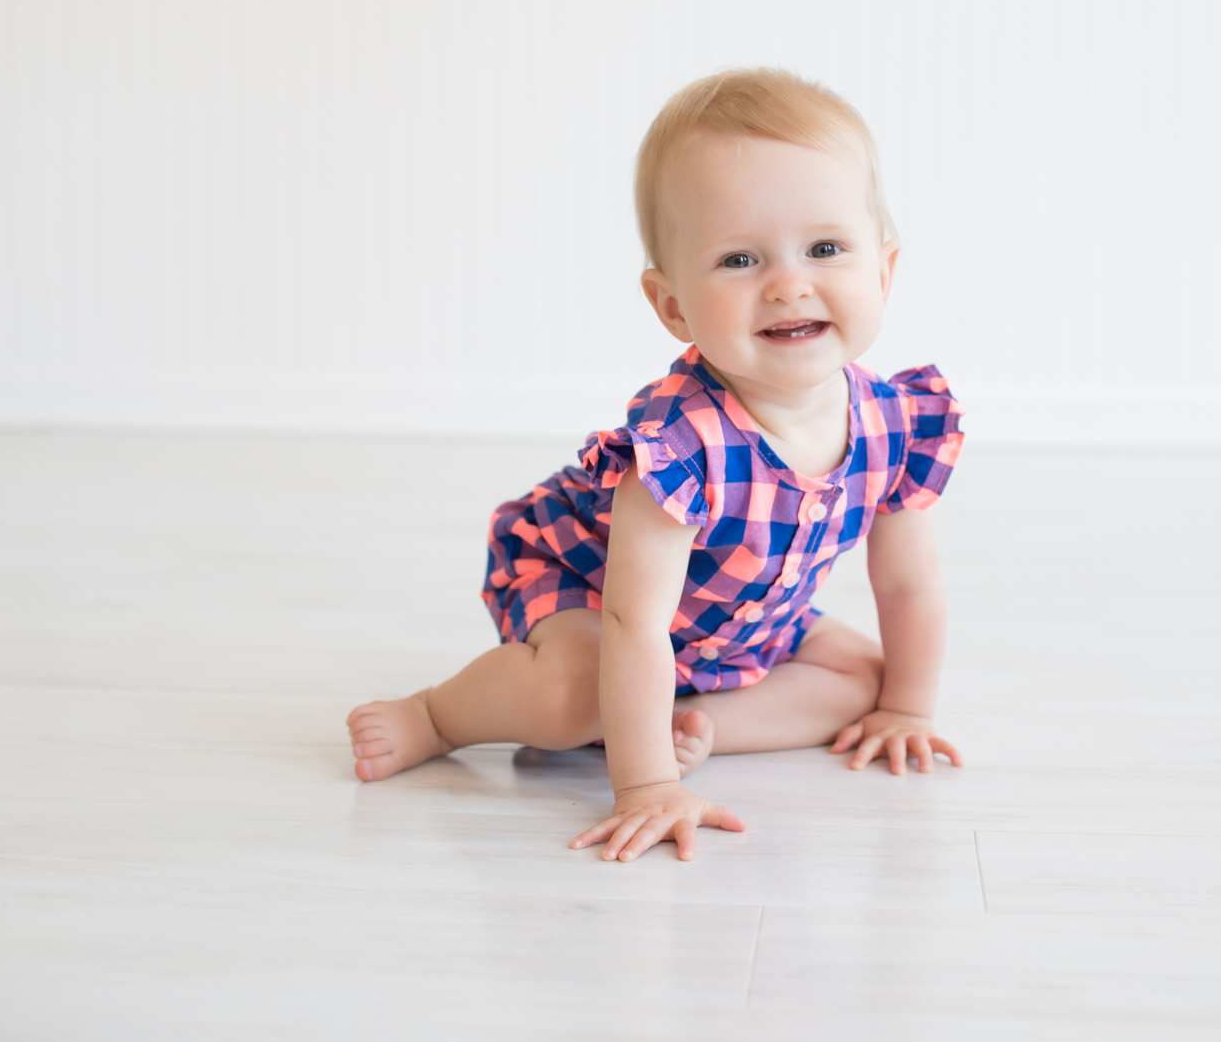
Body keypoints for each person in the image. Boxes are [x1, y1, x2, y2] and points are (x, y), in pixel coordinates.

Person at [346, 68, 964, 862]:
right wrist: (645, 787)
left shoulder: (894, 422)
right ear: (672, 305)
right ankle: (439, 714)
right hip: (593, 592)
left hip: (732, 623)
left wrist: (908, 709)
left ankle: (689, 726)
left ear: (883, 270)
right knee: (573, 697)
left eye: (825, 248)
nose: (788, 283)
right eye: (740, 259)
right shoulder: (678, 445)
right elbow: (632, 622)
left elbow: (909, 587)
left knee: (868, 682)